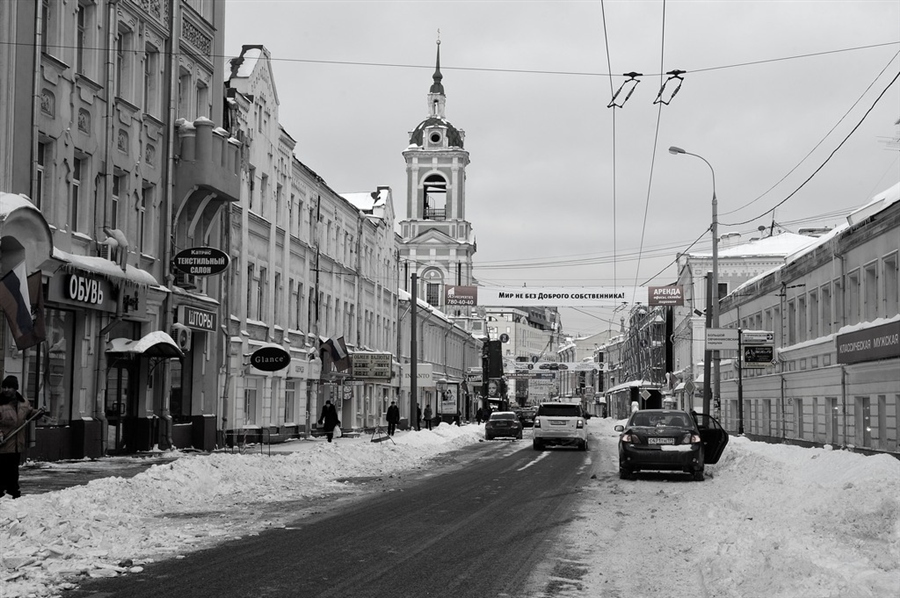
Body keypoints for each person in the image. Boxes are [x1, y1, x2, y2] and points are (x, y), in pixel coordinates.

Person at [0, 375, 43, 499]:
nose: (6, 390)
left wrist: (38, 413)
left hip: (16, 445)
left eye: (9, 387)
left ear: (15, 389)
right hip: (3, 444)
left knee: (13, 471)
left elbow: (29, 414)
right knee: (1, 470)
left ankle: (13, 492)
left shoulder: (23, 403)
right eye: (4, 387)